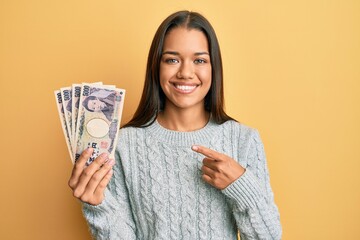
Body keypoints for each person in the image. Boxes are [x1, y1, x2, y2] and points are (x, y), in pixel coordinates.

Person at [68, 10, 282, 239]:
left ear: (214, 68)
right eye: (172, 59)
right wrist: (98, 206)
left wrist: (242, 187)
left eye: (199, 60)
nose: (186, 73)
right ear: (156, 67)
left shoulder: (244, 140)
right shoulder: (123, 145)